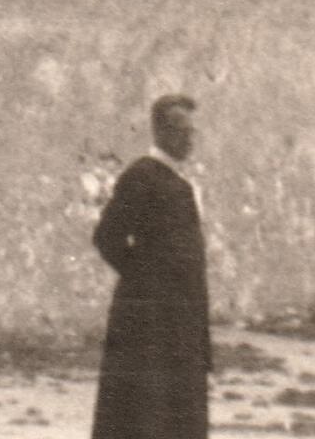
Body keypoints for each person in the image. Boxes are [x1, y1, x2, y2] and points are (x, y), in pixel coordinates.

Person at [90, 93, 211, 439]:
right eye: (181, 130)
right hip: (147, 321)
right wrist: (146, 282)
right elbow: (107, 237)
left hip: (180, 318)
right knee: (142, 412)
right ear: (161, 131)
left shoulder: (180, 182)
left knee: (178, 410)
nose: (189, 139)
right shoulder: (142, 176)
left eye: (192, 131)